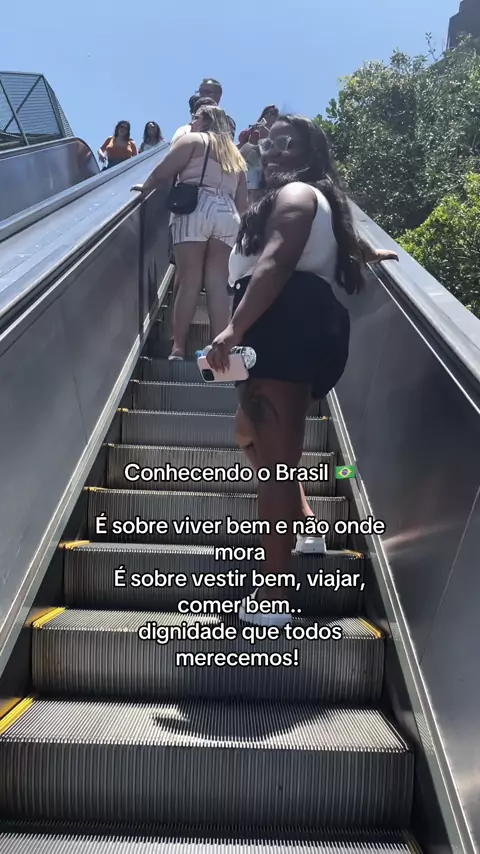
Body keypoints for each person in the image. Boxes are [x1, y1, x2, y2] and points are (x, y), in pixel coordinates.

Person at [206, 115, 373, 628]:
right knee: (249, 433)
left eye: (287, 144)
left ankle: (273, 597)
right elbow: (323, 241)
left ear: (310, 157)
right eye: (270, 143)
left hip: (283, 318)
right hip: (282, 322)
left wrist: (233, 328)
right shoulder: (296, 200)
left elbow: (277, 261)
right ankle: (306, 523)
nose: (273, 150)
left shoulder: (299, 194)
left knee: (275, 463)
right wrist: (365, 249)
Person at [132, 105, 248, 360]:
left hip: (196, 206)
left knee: (189, 279)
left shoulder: (193, 140)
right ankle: (220, 350)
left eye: (196, 118)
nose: (192, 122)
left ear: (206, 120)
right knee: (218, 282)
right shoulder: (234, 154)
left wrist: (145, 187)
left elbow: (164, 170)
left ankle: (178, 348)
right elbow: (243, 202)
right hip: (227, 213)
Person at [238, 106, 279, 203]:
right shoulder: (251, 131)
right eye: (268, 113)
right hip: (249, 169)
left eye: (274, 114)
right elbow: (242, 146)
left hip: (265, 173)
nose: (270, 116)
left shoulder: (277, 135)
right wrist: (252, 132)